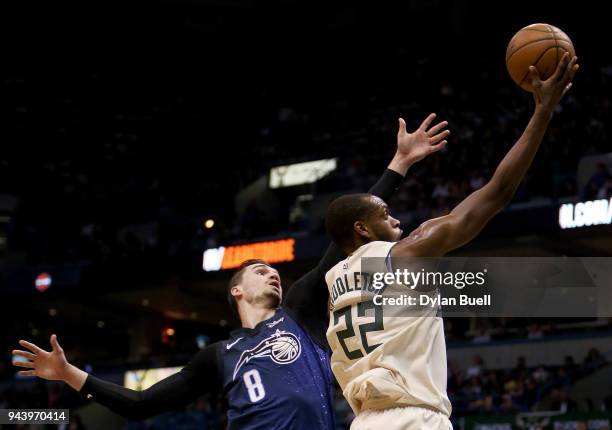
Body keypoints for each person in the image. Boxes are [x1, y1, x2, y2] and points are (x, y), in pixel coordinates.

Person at [13, 113, 450, 429]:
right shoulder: (218, 356)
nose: (272, 274)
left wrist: (399, 165)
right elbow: (140, 404)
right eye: (259, 270)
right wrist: (68, 374)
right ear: (236, 291)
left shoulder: (298, 311)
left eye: (272, 270)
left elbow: (346, 235)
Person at [323, 54, 579, 429]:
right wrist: (542, 113)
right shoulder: (406, 253)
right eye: (384, 213)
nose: (395, 217)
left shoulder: (331, 284)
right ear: (362, 229)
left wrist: (399, 163)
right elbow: (497, 193)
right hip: (414, 419)